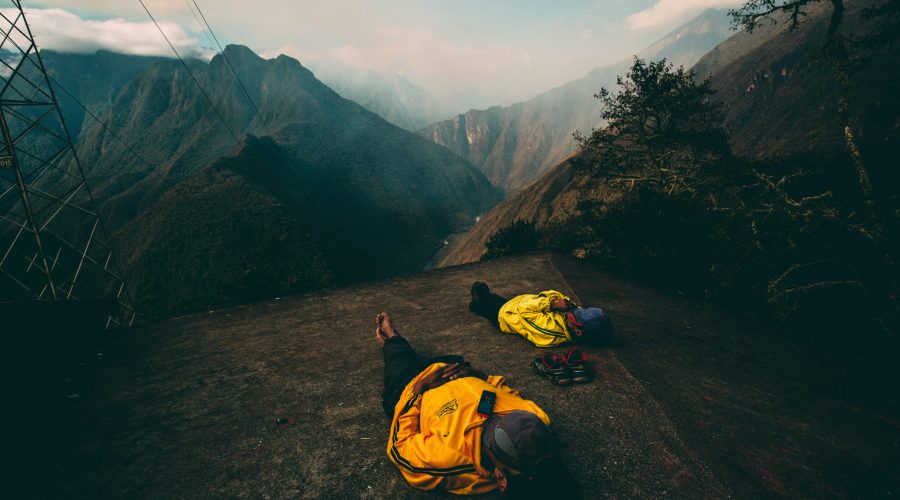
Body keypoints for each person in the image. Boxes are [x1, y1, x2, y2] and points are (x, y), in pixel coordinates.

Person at [376, 312, 573, 496]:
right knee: (418, 354)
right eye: (505, 417)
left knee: (397, 355)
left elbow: (399, 445)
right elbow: (507, 392)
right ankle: (394, 342)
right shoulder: (536, 421)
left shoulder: (448, 459)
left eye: (494, 432)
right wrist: (479, 376)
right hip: (455, 367)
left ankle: (390, 337)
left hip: (409, 382)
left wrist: (419, 390)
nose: (495, 418)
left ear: (500, 477)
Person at [468, 282, 612, 348]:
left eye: (577, 316)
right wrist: (558, 302)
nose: (576, 311)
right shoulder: (573, 318)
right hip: (516, 302)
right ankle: (482, 298)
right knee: (494, 298)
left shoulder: (550, 332)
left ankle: (477, 305)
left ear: (578, 331)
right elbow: (553, 293)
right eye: (582, 310)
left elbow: (523, 310)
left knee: (487, 305)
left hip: (505, 316)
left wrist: (553, 304)